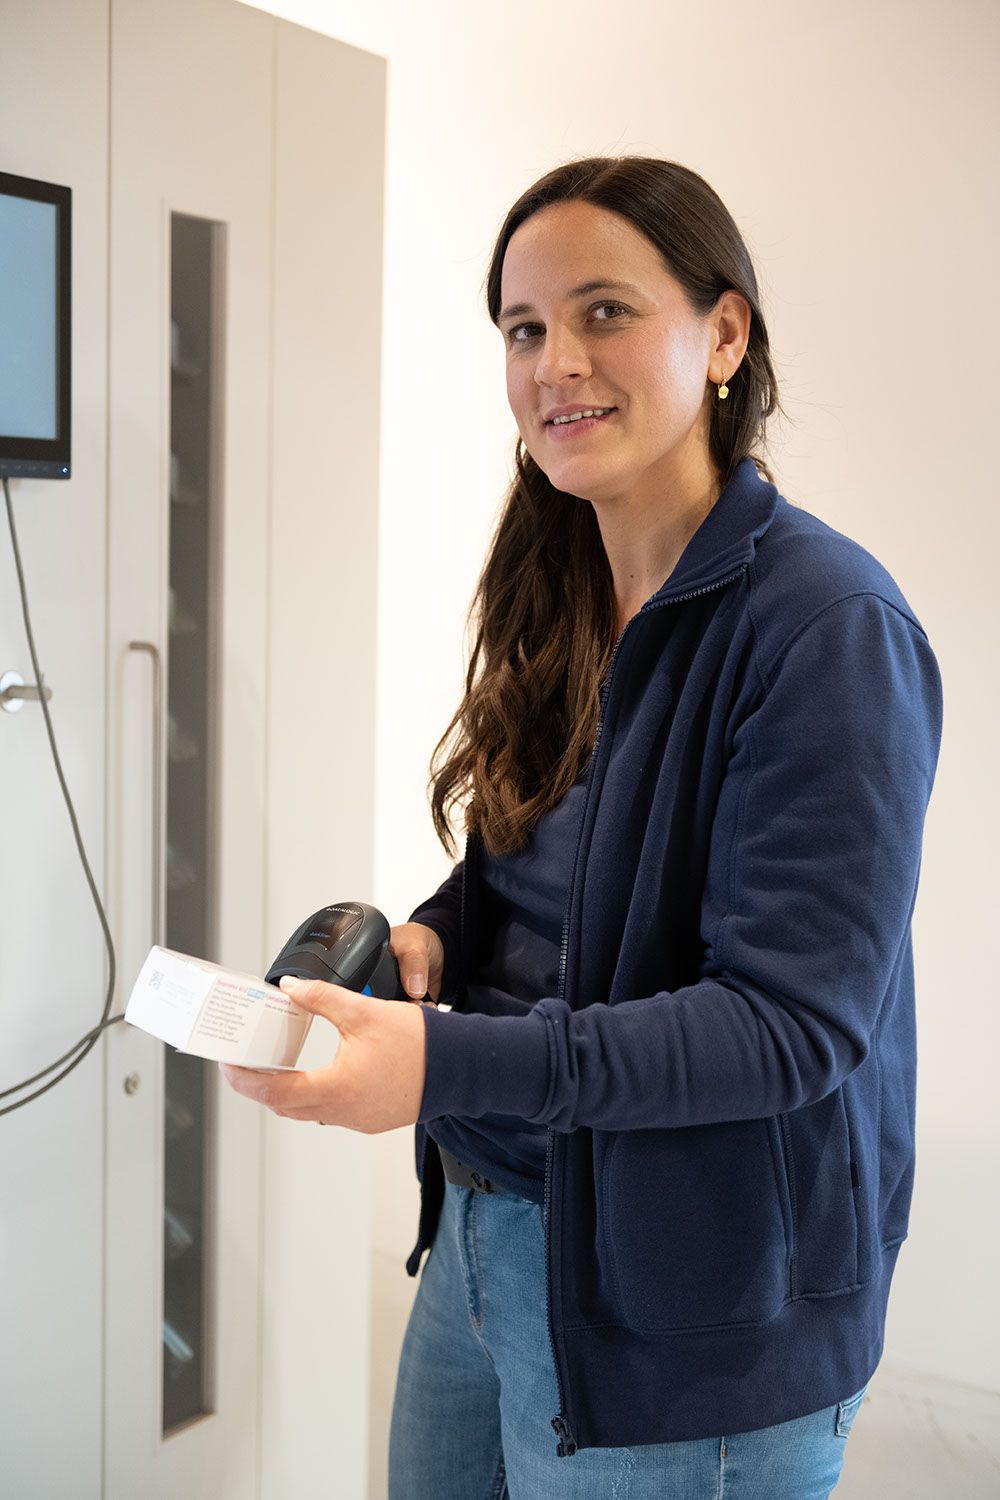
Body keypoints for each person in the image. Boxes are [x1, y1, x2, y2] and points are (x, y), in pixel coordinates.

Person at [221, 155, 943, 1498]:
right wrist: (439, 938)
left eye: (605, 311)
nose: (557, 361)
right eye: (525, 327)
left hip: (690, 1313)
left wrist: (441, 1066)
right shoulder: (561, 584)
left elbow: (790, 1024)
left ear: (724, 332)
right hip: (493, 1243)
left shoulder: (828, 628)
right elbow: (535, 867)